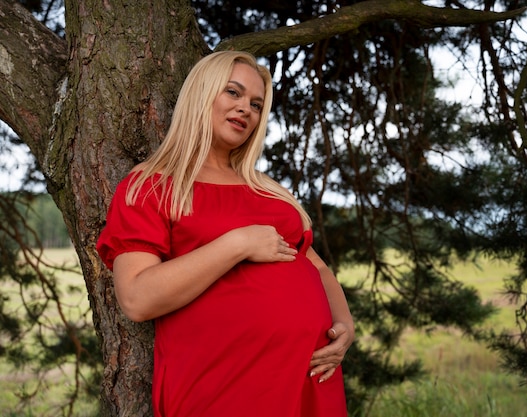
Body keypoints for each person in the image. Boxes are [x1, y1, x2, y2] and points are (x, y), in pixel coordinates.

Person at [96, 50, 354, 417]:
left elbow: (316, 266)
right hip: (224, 386)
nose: (246, 109)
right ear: (201, 93)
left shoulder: (269, 192)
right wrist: (237, 243)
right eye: (232, 92)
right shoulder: (152, 186)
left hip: (309, 377)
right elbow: (137, 298)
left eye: (255, 103)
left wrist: (344, 323)